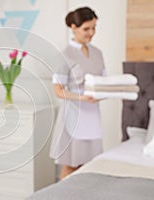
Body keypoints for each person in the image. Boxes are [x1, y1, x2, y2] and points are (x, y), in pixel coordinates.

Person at [49, 7, 106, 180]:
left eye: (94, 28)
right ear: (73, 27)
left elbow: (104, 82)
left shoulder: (97, 53)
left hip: (92, 114)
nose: (91, 33)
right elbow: (58, 90)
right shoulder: (64, 55)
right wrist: (81, 98)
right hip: (73, 115)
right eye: (86, 29)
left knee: (89, 163)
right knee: (71, 163)